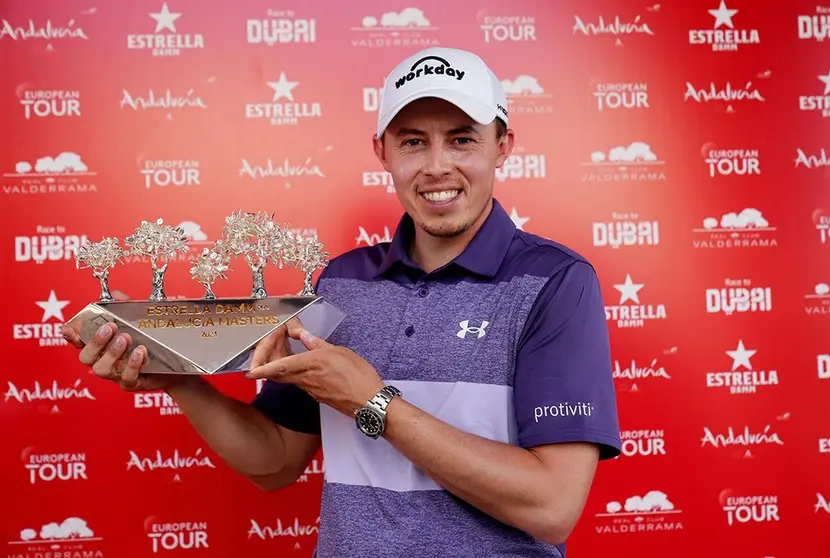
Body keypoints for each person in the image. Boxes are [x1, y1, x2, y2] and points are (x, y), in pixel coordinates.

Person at [62, 46, 621, 557]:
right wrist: (180, 376)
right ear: (381, 152)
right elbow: (277, 461)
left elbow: (552, 506)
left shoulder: (555, 282)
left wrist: (373, 404)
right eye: (411, 141)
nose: (436, 166)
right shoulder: (340, 282)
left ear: (504, 146)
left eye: (462, 138)